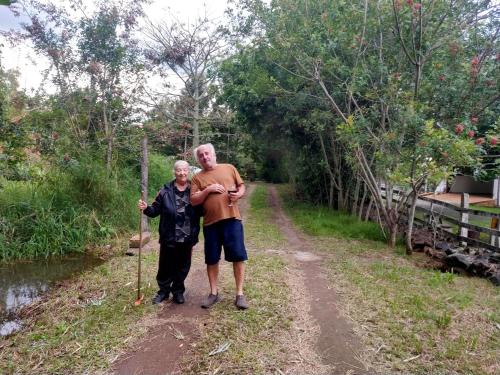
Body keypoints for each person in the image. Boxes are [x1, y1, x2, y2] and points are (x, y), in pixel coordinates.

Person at [190, 143, 249, 310]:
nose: (205, 157)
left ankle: (239, 294)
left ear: (214, 154)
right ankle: (213, 293)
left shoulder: (229, 168)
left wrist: (238, 194)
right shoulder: (197, 178)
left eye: (207, 153)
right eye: (201, 156)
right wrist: (208, 190)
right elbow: (193, 200)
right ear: (199, 160)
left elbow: (241, 186)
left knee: (238, 256)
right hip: (210, 224)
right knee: (211, 259)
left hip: (232, 219)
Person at [138, 160, 201, 305]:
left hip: (187, 237)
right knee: (165, 266)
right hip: (169, 236)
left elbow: (202, 209)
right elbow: (154, 211)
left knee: (183, 266)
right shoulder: (165, 190)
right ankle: (163, 292)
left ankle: (178, 291)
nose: (182, 173)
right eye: (179, 170)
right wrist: (146, 207)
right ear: (174, 172)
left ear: (188, 171)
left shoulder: (194, 189)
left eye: (185, 170)